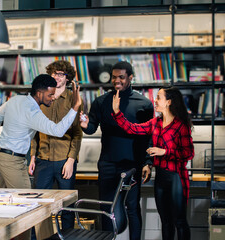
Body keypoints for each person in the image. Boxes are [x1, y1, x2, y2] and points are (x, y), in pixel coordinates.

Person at [80, 61, 153, 240]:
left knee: (132, 208)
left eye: (121, 77)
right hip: (107, 164)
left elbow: (148, 137)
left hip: (132, 165)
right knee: (106, 208)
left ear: (130, 78)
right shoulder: (101, 101)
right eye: (114, 77)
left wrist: (148, 163)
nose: (117, 80)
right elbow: (91, 128)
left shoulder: (143, 103)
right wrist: (83, 124)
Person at [112, 87, 194, 240]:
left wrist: (164, 151)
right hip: (161, 178)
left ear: (168, 102)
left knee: (180, 221)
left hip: (177, 178)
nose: (155, 101)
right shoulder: (155, 123)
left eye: (158, 98)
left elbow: (188, 153)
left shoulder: (181, 126)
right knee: (166, 222)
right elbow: (132, 129)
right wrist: (117, 113)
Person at [0, 74, 82, 189]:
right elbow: (58, 131)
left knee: (1, 200)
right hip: (12, 162)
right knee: (26, 201)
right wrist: (75, 107)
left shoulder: (15, 99)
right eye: (50, 95)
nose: (53, 98)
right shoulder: (33, 112)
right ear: (39, 94)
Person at [29, 60, 82, 231]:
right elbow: (33, 131)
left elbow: (77, 133)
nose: (57, 77)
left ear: (68, 78)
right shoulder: (41, 98)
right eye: (54, 74)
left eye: (61, 74)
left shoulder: (73, 99)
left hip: (64, 160)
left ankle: (66, 236)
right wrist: (32, 156)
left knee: (67, 206)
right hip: (42, 160)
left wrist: (71, 160)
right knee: (39, 205)